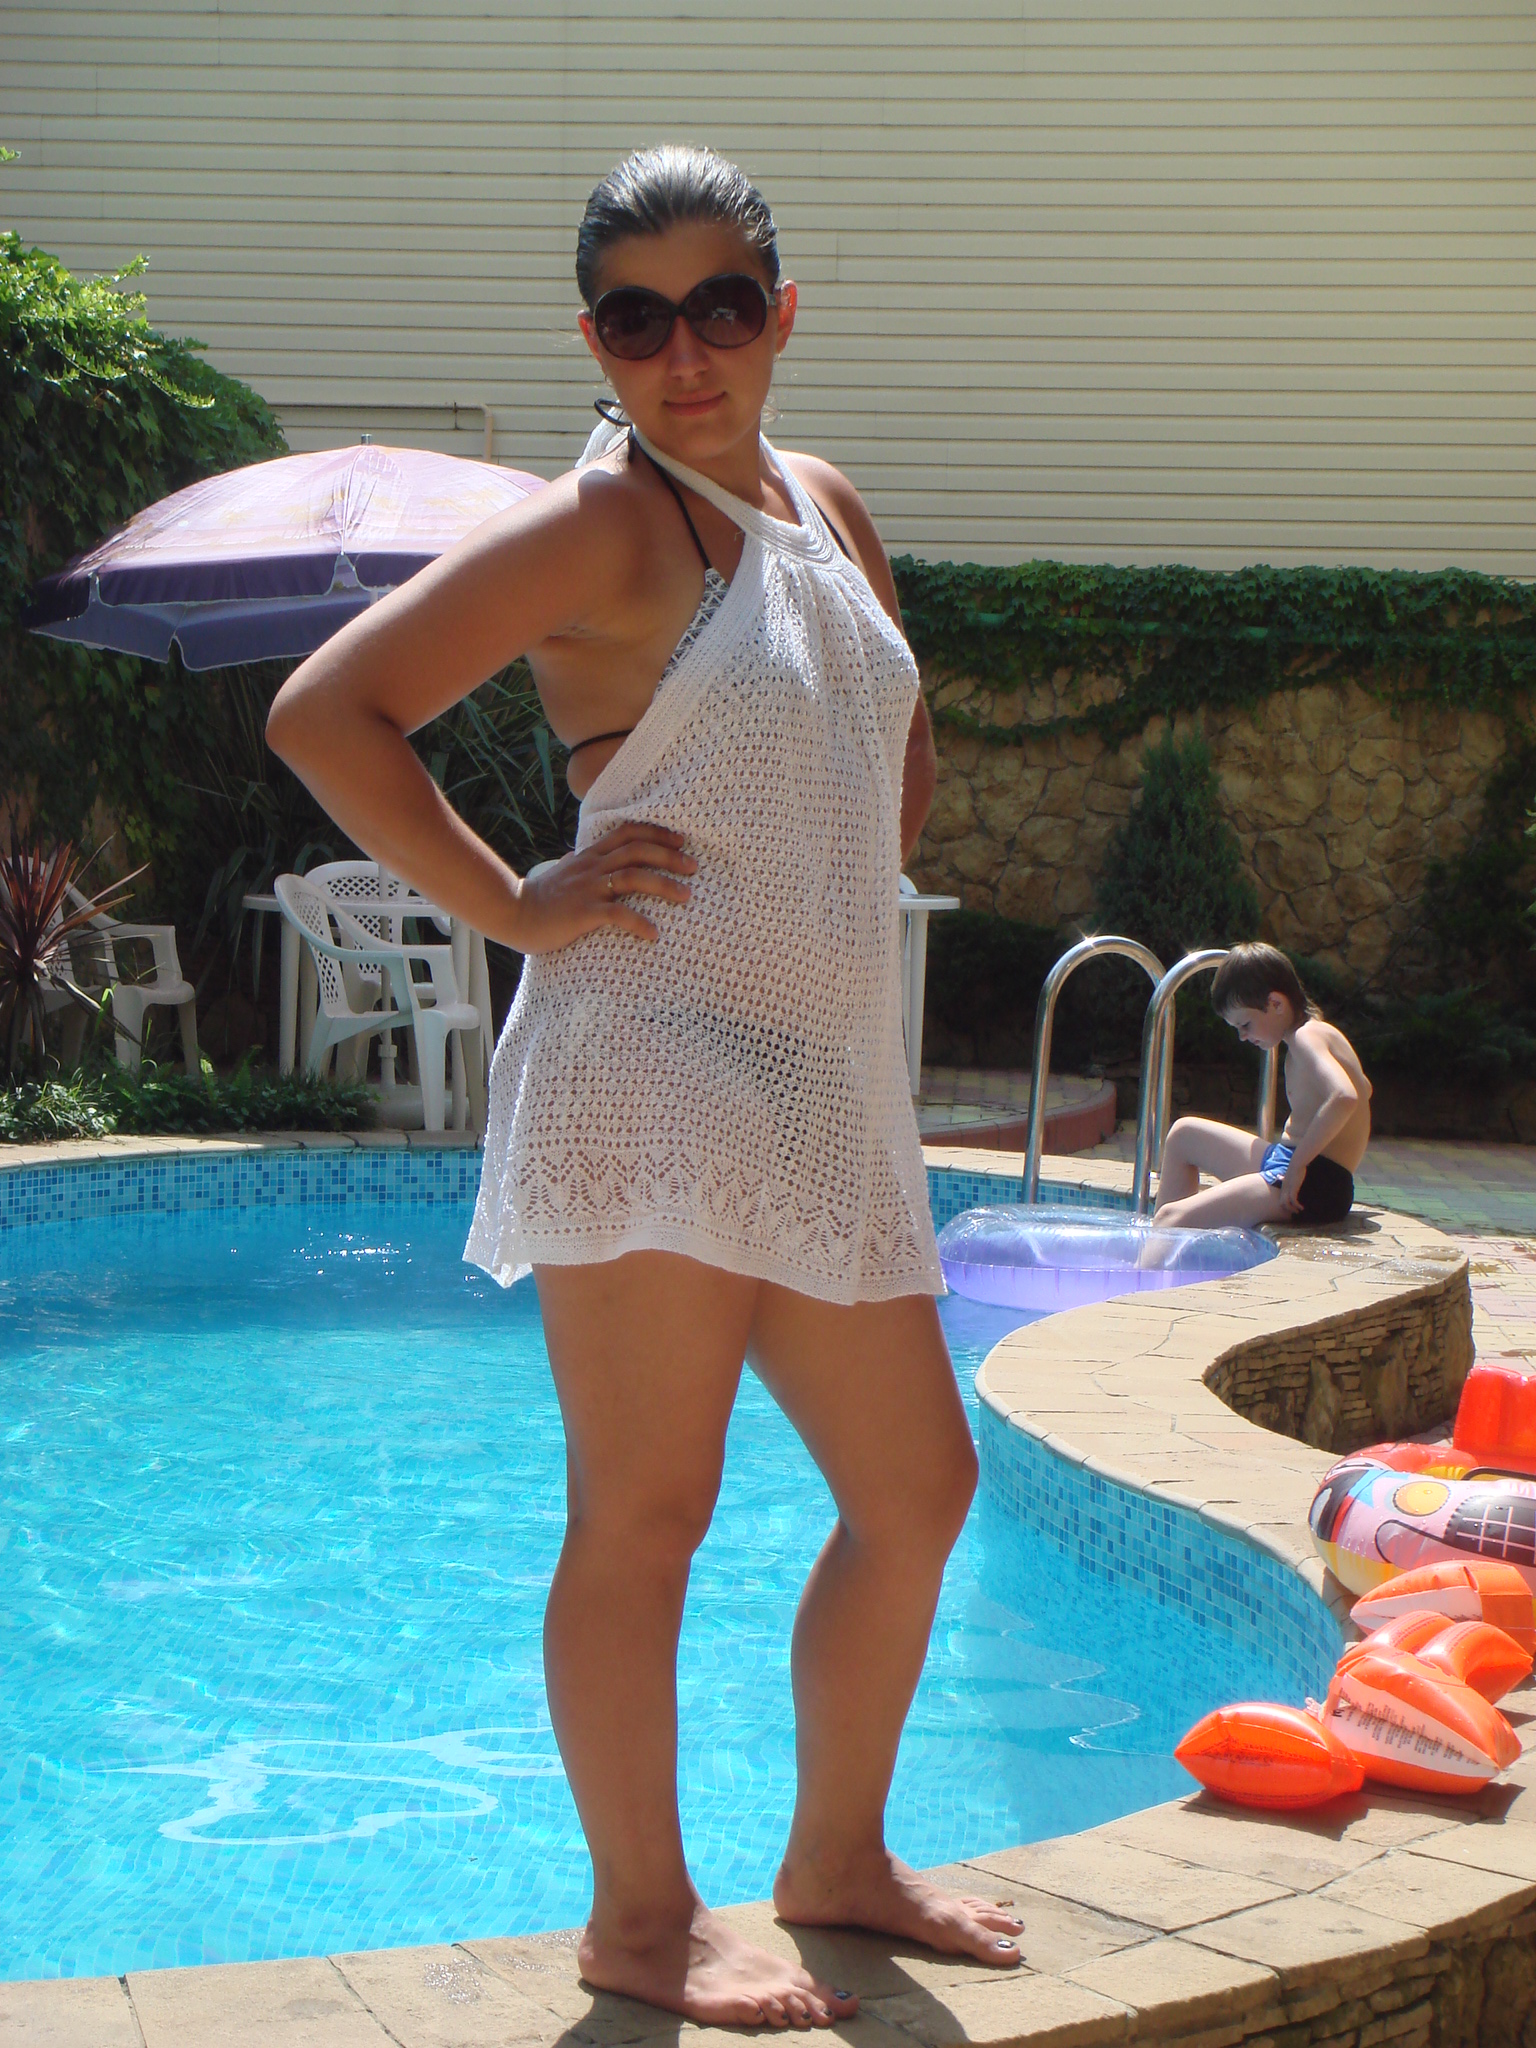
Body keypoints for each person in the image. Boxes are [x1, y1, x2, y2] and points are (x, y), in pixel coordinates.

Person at [266, 144, 1023, 2031]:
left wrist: (824, 885)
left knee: (919, 1488)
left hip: (815, 1076)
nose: (684, 352)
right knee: (649, 1509)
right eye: (635, 318)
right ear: (594, 341)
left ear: (783, 313)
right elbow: (326, 714)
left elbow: (890, 742)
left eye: (722, 307)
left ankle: (835, 1858)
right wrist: (518, 903)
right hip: (650, 1067)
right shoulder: (603, 529)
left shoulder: (822, 505)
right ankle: (639, 1917)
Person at [1153, 942, 1371, 1230]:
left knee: (1170, 1218)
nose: (1242, 1037)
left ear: (1276, 1004)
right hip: (1291, 1162)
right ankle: (1167, 1247)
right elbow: (1364, 1088)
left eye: (1245, 1025)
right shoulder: (1316, 1034)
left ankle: (1153, 1253)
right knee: (1183, 1135)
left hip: (1314, 1182)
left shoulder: (1307, 1037)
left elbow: (1345, 1096)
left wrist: (1299, 1165)